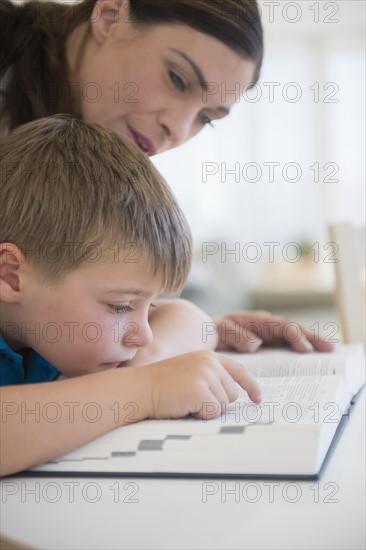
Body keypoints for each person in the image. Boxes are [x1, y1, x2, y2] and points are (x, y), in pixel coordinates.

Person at [0, 0, 334, 355]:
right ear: (111, 15)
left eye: (206, 117)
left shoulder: (92, 170)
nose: (177, 128)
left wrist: (205, 329)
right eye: (177, 79)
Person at [0, 115, 262, 477]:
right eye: (120, 306)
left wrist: (152, 366)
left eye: (149, 305)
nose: (143, 335)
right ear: (11, 276)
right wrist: (145, 389)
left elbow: (191, 318)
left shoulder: (48, 329)